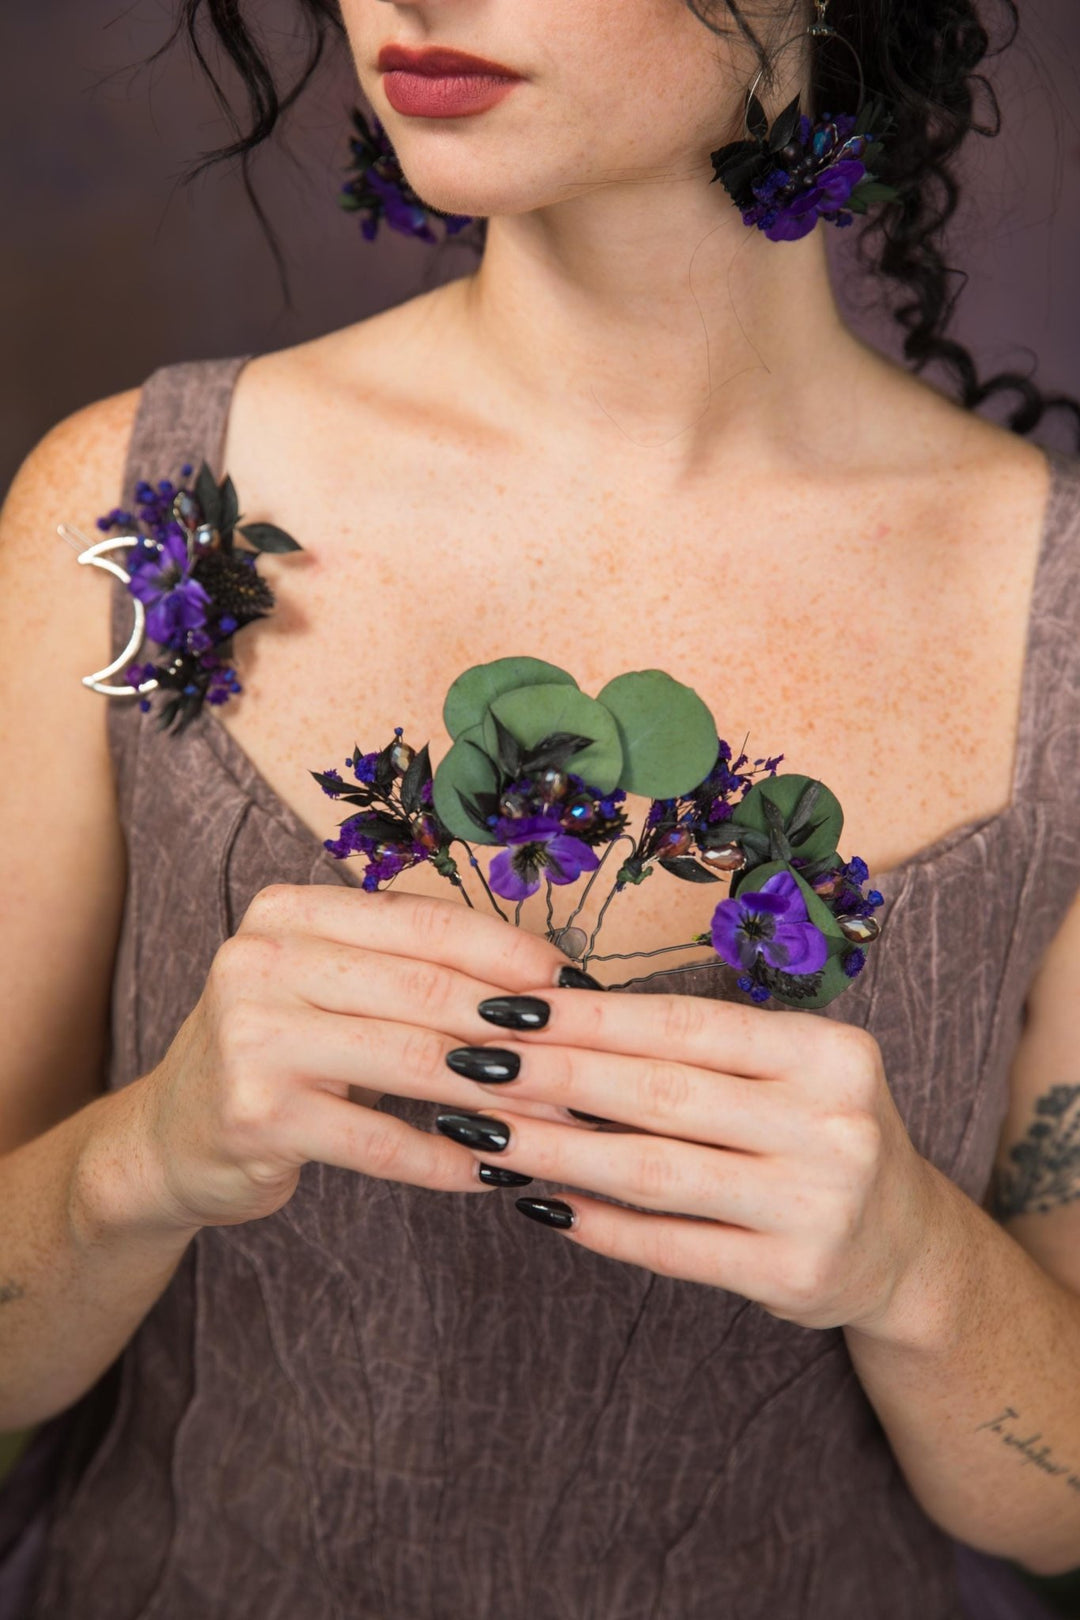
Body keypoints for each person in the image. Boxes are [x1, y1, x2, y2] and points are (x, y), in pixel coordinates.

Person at [1, 0, 1079, 1615]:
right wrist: (137, 1162)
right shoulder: (128, 515)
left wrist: (914, 1265)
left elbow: (1057, 1514)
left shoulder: (1060, 618)